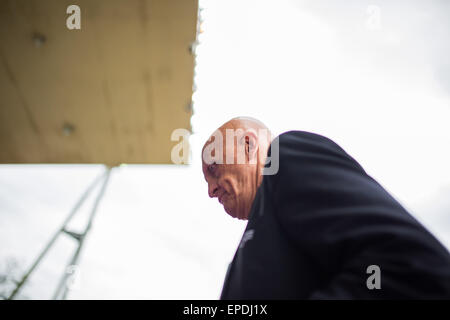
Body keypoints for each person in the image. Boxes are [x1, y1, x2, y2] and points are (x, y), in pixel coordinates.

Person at [201, 117, 450, 299]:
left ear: (248, 145)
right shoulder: (257, 238)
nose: (211, 190)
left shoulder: (284, 157)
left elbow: (406, 262)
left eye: (213, 168)